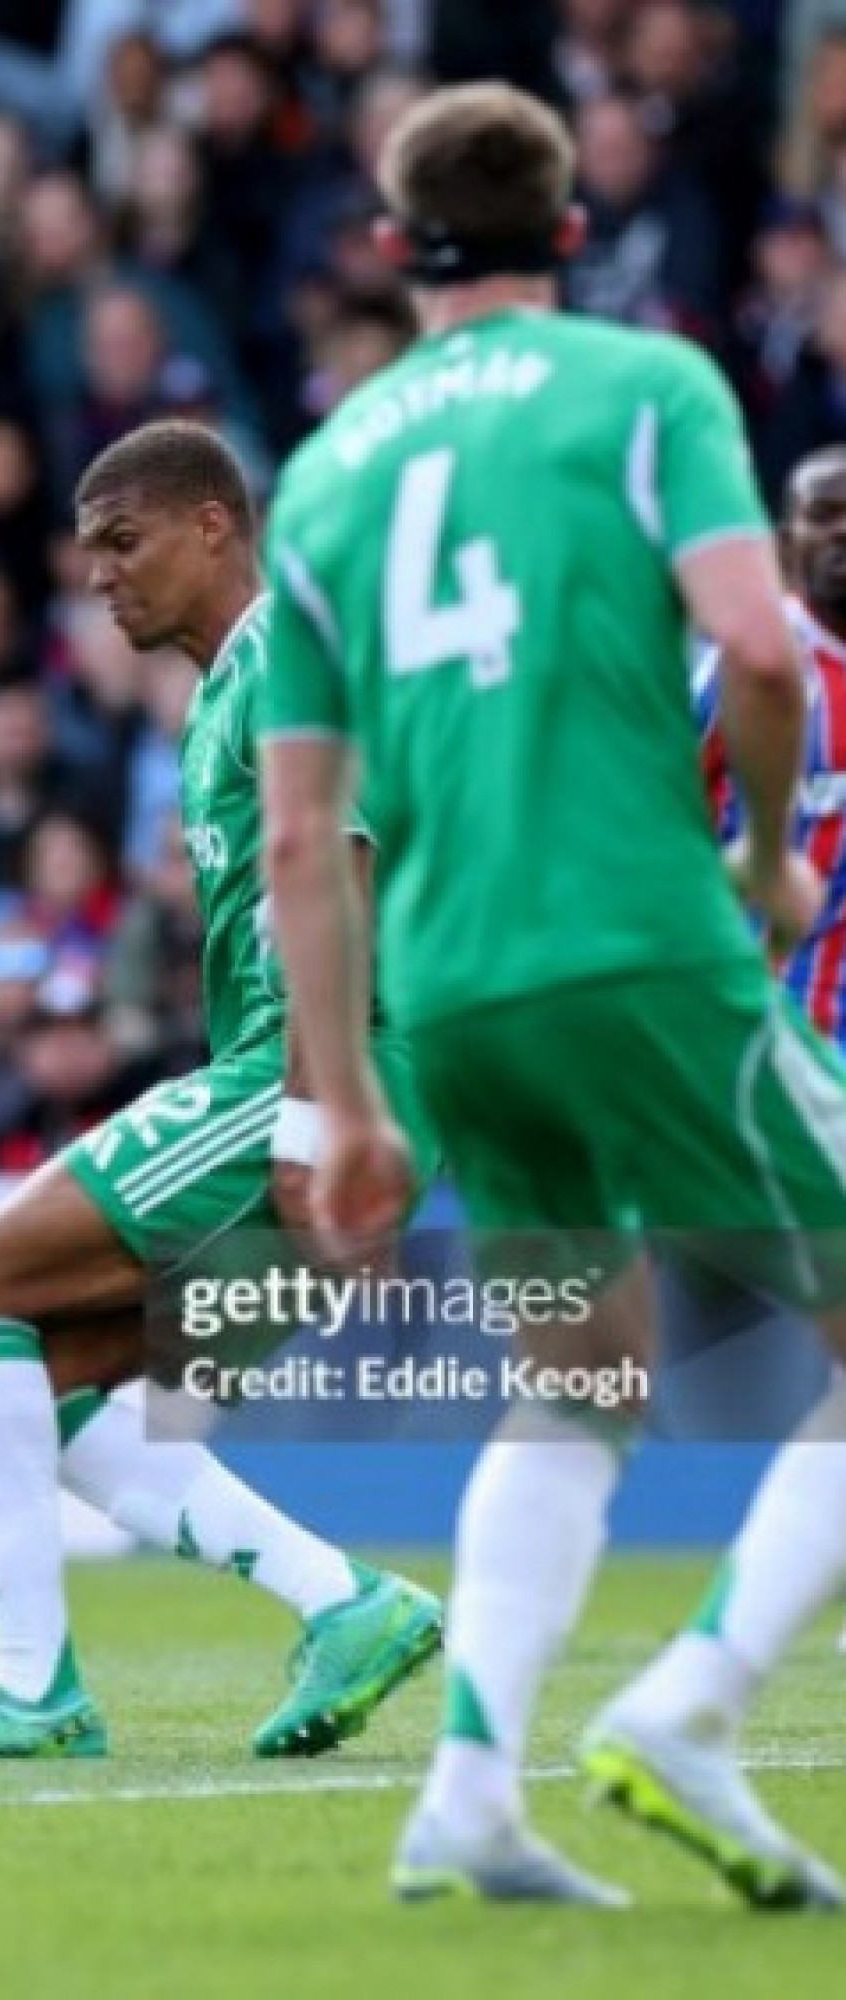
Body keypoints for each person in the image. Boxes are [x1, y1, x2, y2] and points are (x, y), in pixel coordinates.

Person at [259, 81, 846, 1909]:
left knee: (579, 1378)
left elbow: (300, 836)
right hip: (638, 942)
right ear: (573, 231)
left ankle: (466, 1792)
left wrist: (346, 1102)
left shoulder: (327, 473)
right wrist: (769, 858)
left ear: (393, 247)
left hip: (452, 988)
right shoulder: (647, 385)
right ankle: (693, 1703)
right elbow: (759, 647)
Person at [0, 418, 440, 1764]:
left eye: (124, 541)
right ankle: (344, 1604)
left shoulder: (285, 654)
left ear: (213, 524)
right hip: (326, 1074)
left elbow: (339, 871)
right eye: (87, 553)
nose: (99, 576)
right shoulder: (222, 694)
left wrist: (316, 1120)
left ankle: (34, 1694)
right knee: (40, 1380)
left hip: (321, 1071)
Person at [698, 445, 846, 1045]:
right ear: (786, 546)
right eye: (824, 514)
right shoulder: (743, 667)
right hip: (774, 1028)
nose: (843, 530)